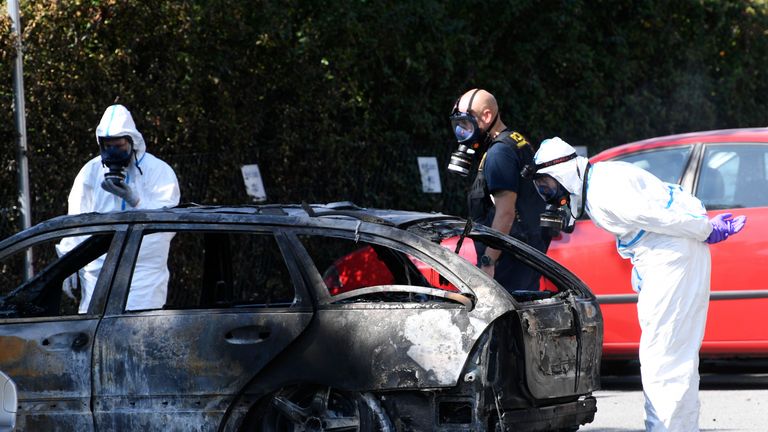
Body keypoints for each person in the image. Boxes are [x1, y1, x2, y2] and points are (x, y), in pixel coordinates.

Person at [530, 137, 746, 432]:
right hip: (673, 258)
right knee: (677, 355)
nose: (547, 195)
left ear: (563, 173)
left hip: (672, 260)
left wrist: (705, 228)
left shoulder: (603, 193)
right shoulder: (602, 178)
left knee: (661, 358)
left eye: (547, 185)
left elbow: (658, 217)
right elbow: (645, 224)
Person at [57, 104, 180, 313]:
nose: (113, 152)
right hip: (98, 275)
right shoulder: (90, 172)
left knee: (139, 334)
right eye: (108, 145)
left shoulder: (158, 171)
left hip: (144, 277)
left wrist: (136, 200)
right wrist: (67, 263)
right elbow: (76, 222)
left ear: (132, 141)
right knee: (95, 339)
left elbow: (168, 223)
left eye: (120, 145)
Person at [448, 88, 550, 291]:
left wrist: (488, 261)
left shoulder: (499, 153)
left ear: (486, 116)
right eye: (457, 124)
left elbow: (505, 213)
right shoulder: (514, 141)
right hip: (524, 252)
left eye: (466, 122)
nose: (461, 130)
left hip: (509, 259)